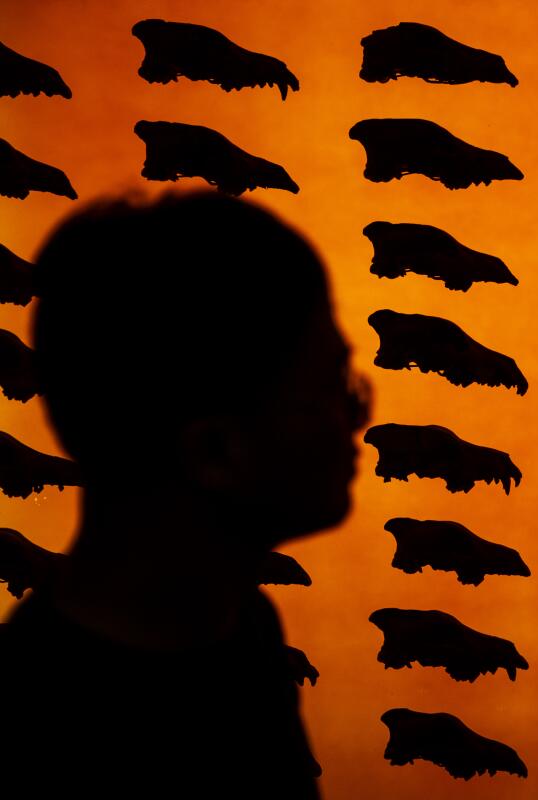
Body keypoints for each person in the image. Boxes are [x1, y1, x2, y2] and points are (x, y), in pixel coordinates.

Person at [0, 191, 369, 798]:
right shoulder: (41, 736)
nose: (355, 420)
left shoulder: (243, 629)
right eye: (332, 390)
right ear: (215, 450)